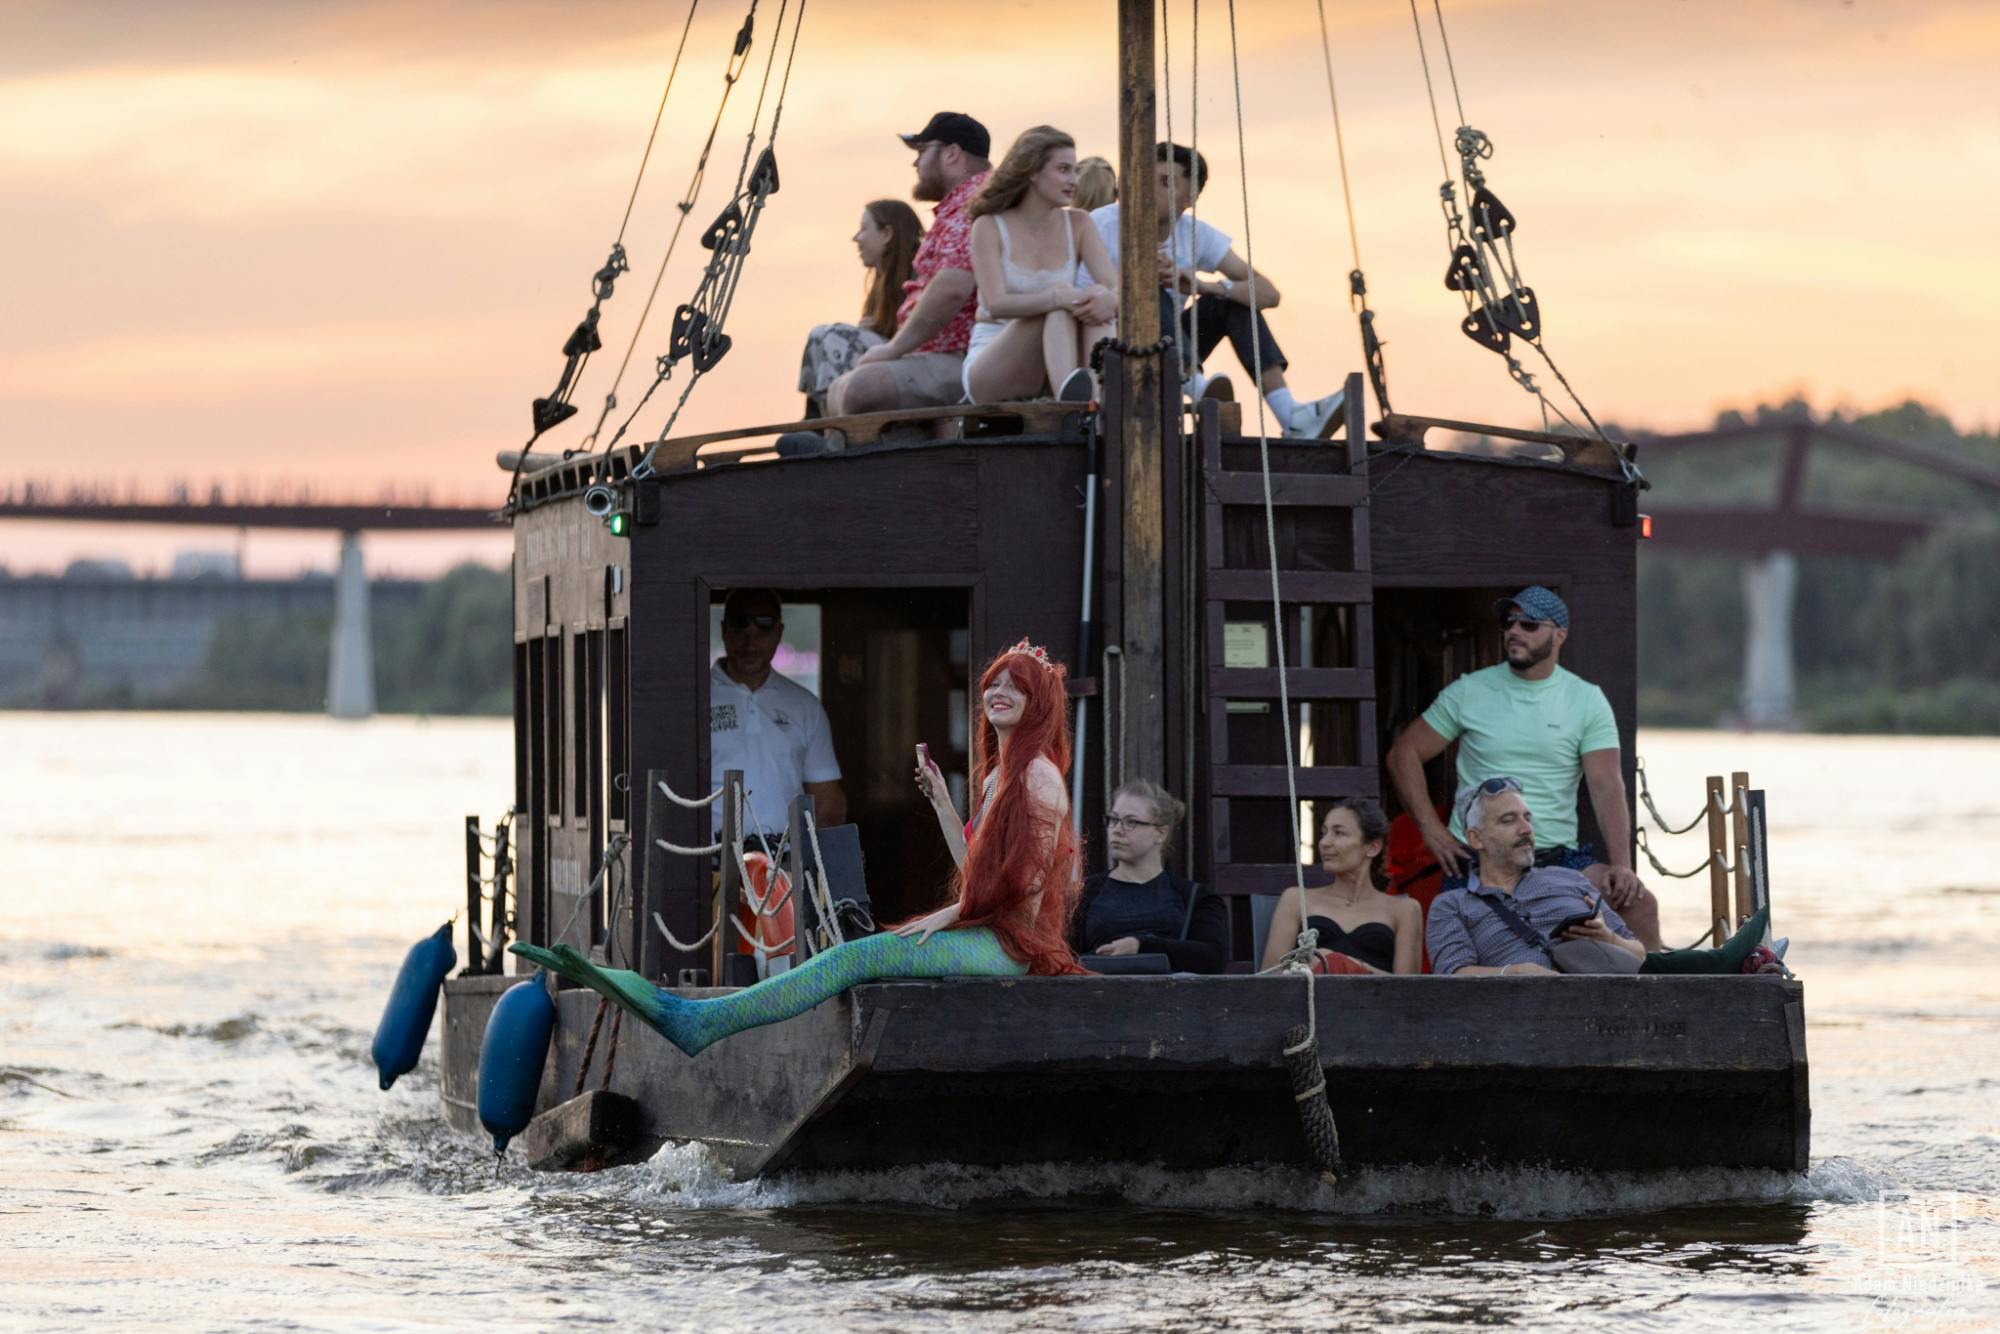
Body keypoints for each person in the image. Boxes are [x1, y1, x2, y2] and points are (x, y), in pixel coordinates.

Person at [513, 638, 1085, 1056]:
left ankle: (701, 1023)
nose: (1000, 692)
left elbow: (1027, 897)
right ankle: (699, 1020)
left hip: (1013, 947)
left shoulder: (1038, 777)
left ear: (1041, 705)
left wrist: (951, 913)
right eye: (995, 683)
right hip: (984, 932)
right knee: (861, 954)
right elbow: (978, 868)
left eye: (1018, 686)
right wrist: (941, 804)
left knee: (857, 955)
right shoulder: (997, 779)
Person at [1385, 586, 1665, 951]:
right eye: (1509, 622)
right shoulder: (1469, 690)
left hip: (1555, 855)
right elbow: (1403, 754)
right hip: (1479, 857)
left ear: (1559, 635)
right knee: (1468, 940)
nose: (1514, 631)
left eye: (1529, 624)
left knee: (1639, 905)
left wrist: (1622, 866)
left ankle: (1659, 1000)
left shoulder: (1586, 699)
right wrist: (1431, 829)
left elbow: (1606, 785)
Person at [1088, 143, 1343, 439]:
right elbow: (1084, 300)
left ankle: (1291, 416)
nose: (1150, 190)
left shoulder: (1196, 234)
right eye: (1148, 179)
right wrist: (1135, 279)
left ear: (1190, 197)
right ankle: (1196, 387)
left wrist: (1201, 285)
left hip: (1168, 352)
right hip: (1112, 350)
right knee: (1151, 289)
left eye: (1167, 182)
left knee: (1230, 299)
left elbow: (1269, 294)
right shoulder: (1102, 224)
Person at [824, 113, 993, 417]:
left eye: (922, 152)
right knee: (840, 385)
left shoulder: (974, 204)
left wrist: (893, 349)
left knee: (858, 388)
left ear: (952, 154)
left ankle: (837, 456)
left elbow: (952, 288)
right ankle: (832, 448)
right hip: (936, 352)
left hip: (963, 355)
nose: (916, 164)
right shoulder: (960, 205)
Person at [963, 126, 1118, 404]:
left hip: (1057, 362)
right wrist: (1058, 297)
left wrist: (1109, 298)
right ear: (1032, 172)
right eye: (1064, 169)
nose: (1074, 181)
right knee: (1058, 304)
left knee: (1097, 300)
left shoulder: (1080, 223)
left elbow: (1112, 284)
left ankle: (1094, 403)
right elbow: (995, 303)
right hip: (995, 365)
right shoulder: (988, 226)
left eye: (1074, 170)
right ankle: (1072, 409)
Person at [1426, 778, 1644, 975]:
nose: (1526, 829)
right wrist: (1512, 973)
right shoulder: (1452, 905)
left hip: (1597, 1001)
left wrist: (1608, 937)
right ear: (1476, 839)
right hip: (1518, 1010)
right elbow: (1451, 975)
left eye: (1527, 818)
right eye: (1508, 820)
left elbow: (1640, 954)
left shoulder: (1570, 878)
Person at [708, 588, 845, 838]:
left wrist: (814, 866)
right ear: (724, 629)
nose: (750, 642)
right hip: (709, 861)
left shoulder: (804, 705)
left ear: (779, 632)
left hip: (783, 863)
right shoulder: (697, 699)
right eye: (739, 625)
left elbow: (827, 799)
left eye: (764, 626)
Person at [1072, 779, 1229, 973]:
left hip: (1171, 1000)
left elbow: (1213, 957)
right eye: (1113, 819)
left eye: (1131, 822)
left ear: (1161, 833)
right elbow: (1061, 955)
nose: (1117, 830)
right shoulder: (1083, 893)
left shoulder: (1196, 897)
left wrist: (1141, 946)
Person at [1259, 797, 1424, 974]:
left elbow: (1408, 990)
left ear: (1372, 847)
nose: (1324, 843)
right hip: (1311, 999)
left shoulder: (1405, 909)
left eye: (1339, 833)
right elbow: (1269, 979)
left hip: (1374, 1000)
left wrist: (1344, 964)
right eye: (1324, 832)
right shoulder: (1295, 899)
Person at [797, 199, 923, 417]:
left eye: (864, 229)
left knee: (834, 336)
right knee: (819, 334)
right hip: (892, 361)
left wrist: (882, 328)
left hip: (915, 364)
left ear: (887, 234)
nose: (856, 238)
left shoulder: (919, 272)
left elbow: (925, 328)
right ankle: (817, 420)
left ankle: (835, 429)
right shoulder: (881, 283)